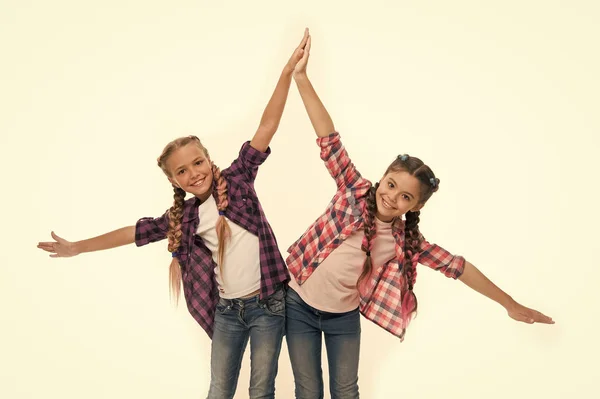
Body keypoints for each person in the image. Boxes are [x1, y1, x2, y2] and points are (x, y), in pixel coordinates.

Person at [37, 29, 311, 399]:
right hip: (227, 311)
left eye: (197, 162)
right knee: (219, 388)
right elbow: (130, 233)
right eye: (182, 171)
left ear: (208, 159)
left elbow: (266, 127)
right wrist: (79, 247)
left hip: (268, 303)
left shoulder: (239, 181)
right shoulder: (182, 217)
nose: (193, 173)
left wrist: (286, 74)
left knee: (261, 387)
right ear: (173, 179)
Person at [284, 32, 554, 399]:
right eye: (391, 184)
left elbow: (460, 268)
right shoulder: (352, 190)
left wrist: (510, 304)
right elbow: (328, 137)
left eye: (405, 196)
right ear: (383, 177)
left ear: (416, 206)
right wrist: (301, 78)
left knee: (346, 390)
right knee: (308, 388)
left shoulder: (406, 243)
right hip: (298, 304)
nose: (392, 197)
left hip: (343, 319)